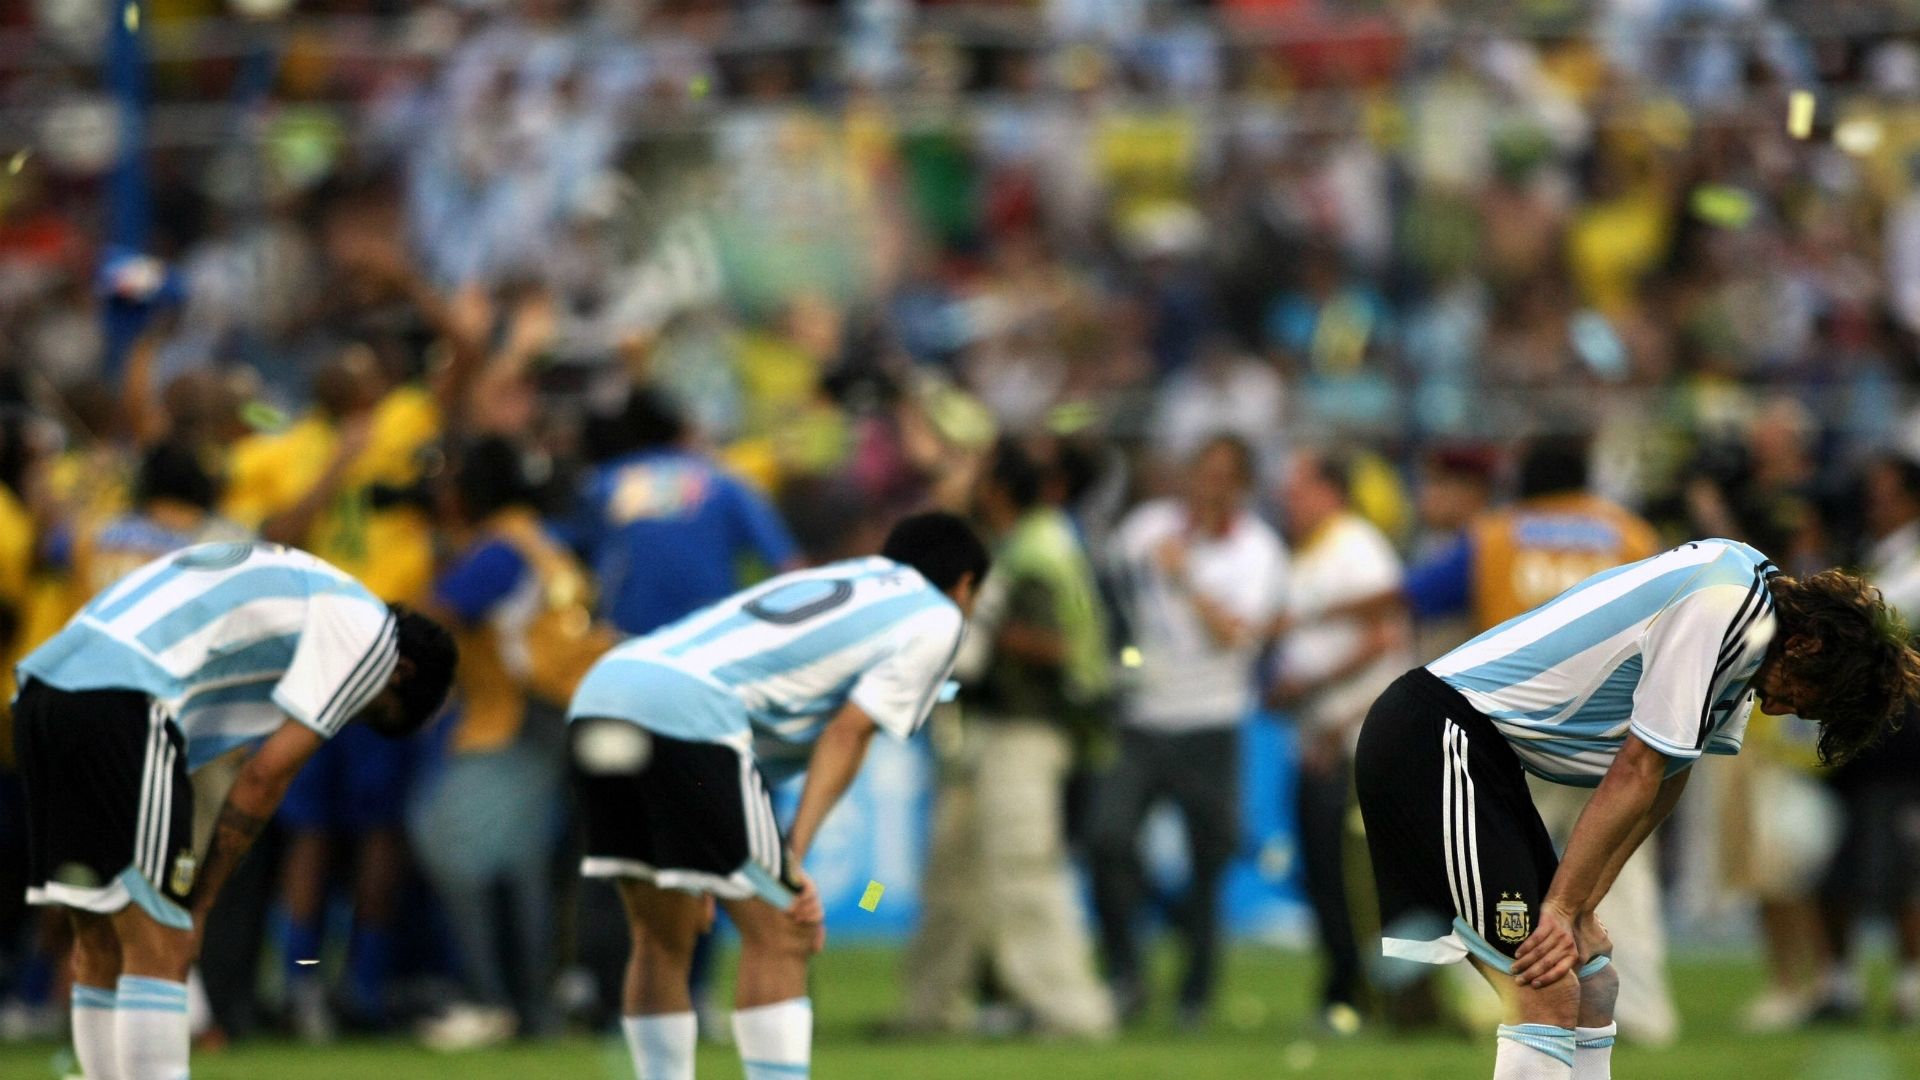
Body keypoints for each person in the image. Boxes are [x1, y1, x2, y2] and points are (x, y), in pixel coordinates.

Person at [1355, 538, 1920, 1080]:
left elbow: (1670, 774)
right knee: (1545, 983)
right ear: (1807, 646)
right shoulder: (1723, 601)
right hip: (1436, 739)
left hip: (1483, 759)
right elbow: (1637, 767)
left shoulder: (1751, 624)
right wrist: (1560, 908)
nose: (1779, 708)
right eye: (1800, 694)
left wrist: (1580, 908)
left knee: (1592, 982)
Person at [11, 540, 456, 1080]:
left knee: (99, 939)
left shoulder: (303, 580)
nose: (345, 718)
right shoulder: (371, 639)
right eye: (371, 712)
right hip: (124, 698)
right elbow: (265, 777)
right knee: (165, 940)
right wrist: (202, 902)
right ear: (402, 672)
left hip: (43, 691)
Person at [568, 511, 987, 1080]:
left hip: (605, 691)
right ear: (965, 586)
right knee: (784, 929)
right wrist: (794, 852)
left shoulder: (850, 578)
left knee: (662, 936)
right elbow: (848, 732)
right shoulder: (938, 617)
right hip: (688, 713)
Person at [1406, 436, 1675, 1044]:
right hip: (1618, 734)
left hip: (1519, 733)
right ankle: (1643, 1012)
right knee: (1622, 871)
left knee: (1499, 870)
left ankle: (1500, 1005)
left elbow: (1418, 595)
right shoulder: (1631, 534)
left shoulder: (1498, 534)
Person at [897, 440, 1117, 1040]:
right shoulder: (1023, 541)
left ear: (996, 488)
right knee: (952, 872)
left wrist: (974, 629)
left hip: (1027, 729)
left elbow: (1060, 646)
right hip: (987, 729)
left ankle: (1072, 1012)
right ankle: (931, 1007)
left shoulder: (1038, 549)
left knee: (1024, 870)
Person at [412, 436, 612, 1049]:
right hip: (564, 710)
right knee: (518, 861)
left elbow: (427, 616)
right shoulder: (540, 537)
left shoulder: (498, 548)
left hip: (519, 717)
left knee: (448, 839)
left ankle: (491, 999)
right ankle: (532, 1007)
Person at [1091, 434, 1287, 1028]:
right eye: (1202, 471)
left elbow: (1238, 637)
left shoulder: (1257, 551)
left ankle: (1194, 995)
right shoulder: (1147, 526)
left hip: (1211, 719)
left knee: (1209, 862)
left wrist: (1184, 579)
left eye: (1224, 475)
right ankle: (1126, 972)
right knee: (1107, 838)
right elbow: (1108, 594)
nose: (1209, 486)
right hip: (1140, 717)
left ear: (1243, 485)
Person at [1269, 449, 1410, 1032]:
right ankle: (1344, 991)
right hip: (1322, 732)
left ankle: (1367, 996)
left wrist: (1319, 694)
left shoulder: (1356, 546)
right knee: (1323, 873)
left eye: (1299, 488)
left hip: (1355, 736)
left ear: (1332, 491)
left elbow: (1386, 636)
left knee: (1353, 877)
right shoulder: (1311, 552)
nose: (1287, 500)